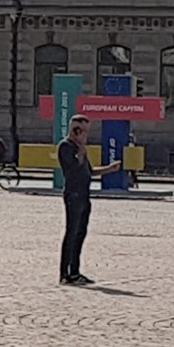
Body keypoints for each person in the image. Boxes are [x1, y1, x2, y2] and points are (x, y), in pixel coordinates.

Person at [57, 114, 117, 286]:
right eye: (82, 131)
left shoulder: (79, 148)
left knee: (81, 233)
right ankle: (65, 274)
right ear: (75, 130)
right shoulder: (66, 147)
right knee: (71, 232)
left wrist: (109, 169)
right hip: (73, 195)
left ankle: (75, 272)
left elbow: (89, 171)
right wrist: (81, 152)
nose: (85, 134)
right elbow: (72, 169)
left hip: (84, 195)